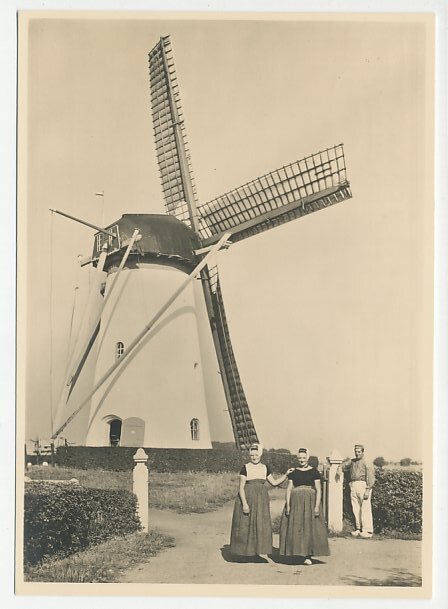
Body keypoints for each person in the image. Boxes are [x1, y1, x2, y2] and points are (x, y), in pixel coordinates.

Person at [229, 443, 293, 562]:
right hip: (248, 498)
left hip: (261, 500)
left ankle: (255, 552)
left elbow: (273, 483)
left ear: (260, 454)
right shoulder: (245, 467)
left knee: (259, 524)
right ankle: (244, 553)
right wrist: (245, 504)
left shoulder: (265, 467)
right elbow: (241, 488)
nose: (254, 457)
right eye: (252, 455)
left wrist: (286, 475)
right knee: (246, 524)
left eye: (256, 454)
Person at [279, 448, 330, 565]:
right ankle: (297, 553)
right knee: (296, 527)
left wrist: (317, 506)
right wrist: (288, 505)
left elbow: (318, 489)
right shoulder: (293, 472)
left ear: (308, 458)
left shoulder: (314, 472)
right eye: (300, 458)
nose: (302, 460)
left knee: (308, 528)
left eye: (304, 458)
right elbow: (289, 488)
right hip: (296, 502)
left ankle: (308, 556)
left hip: (309, 503)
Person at [337, 444, 376, 538]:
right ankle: (359, 528)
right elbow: (344, 465)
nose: (357, 453)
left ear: (362, 452)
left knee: (365, 508)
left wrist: (368, 489)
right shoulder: (353, 461)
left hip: (363, 485)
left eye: (359, 452)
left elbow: (371, 476)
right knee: (356, 508)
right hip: (353, 485)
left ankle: (368, 531)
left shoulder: (367, 462)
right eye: (356, 452)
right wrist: (339, 468)